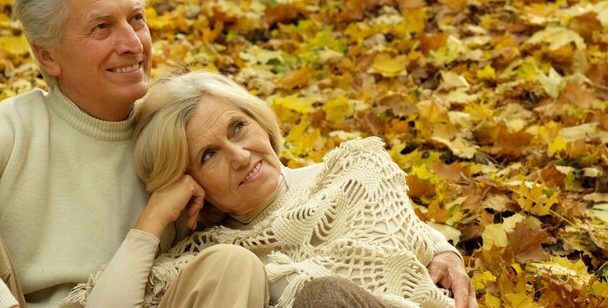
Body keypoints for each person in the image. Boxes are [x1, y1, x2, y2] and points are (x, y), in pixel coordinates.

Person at [0, 0, 268, 308]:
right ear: (48, 56)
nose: (133, 44)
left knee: (231, 264)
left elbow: (271, 187)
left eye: (136, 19)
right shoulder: (10, 130)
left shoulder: (172, 132)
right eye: (102, 27)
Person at [65, 70, 477, 308]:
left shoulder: (355, 171)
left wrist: (444, 250)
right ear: (192, 185)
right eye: (209, 156)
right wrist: (151, 221)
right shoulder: (212, 254)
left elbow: (389, 252)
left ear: (260, 120)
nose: (240, 156)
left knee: (324, 297)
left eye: (238, 128)